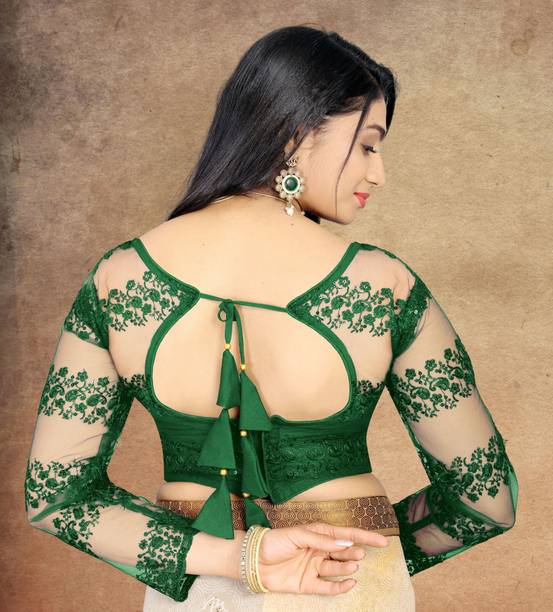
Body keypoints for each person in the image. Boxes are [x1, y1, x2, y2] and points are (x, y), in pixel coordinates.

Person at [25, 24, 518, 612]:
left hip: (198, 588)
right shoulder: (382, 285)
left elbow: (57, 497)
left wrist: (243, 559)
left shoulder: (118, 278)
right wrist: (364, 548)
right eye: (368, 145)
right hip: (346, 585)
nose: (377, 173)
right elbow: (486, 499)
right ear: (296, 134)